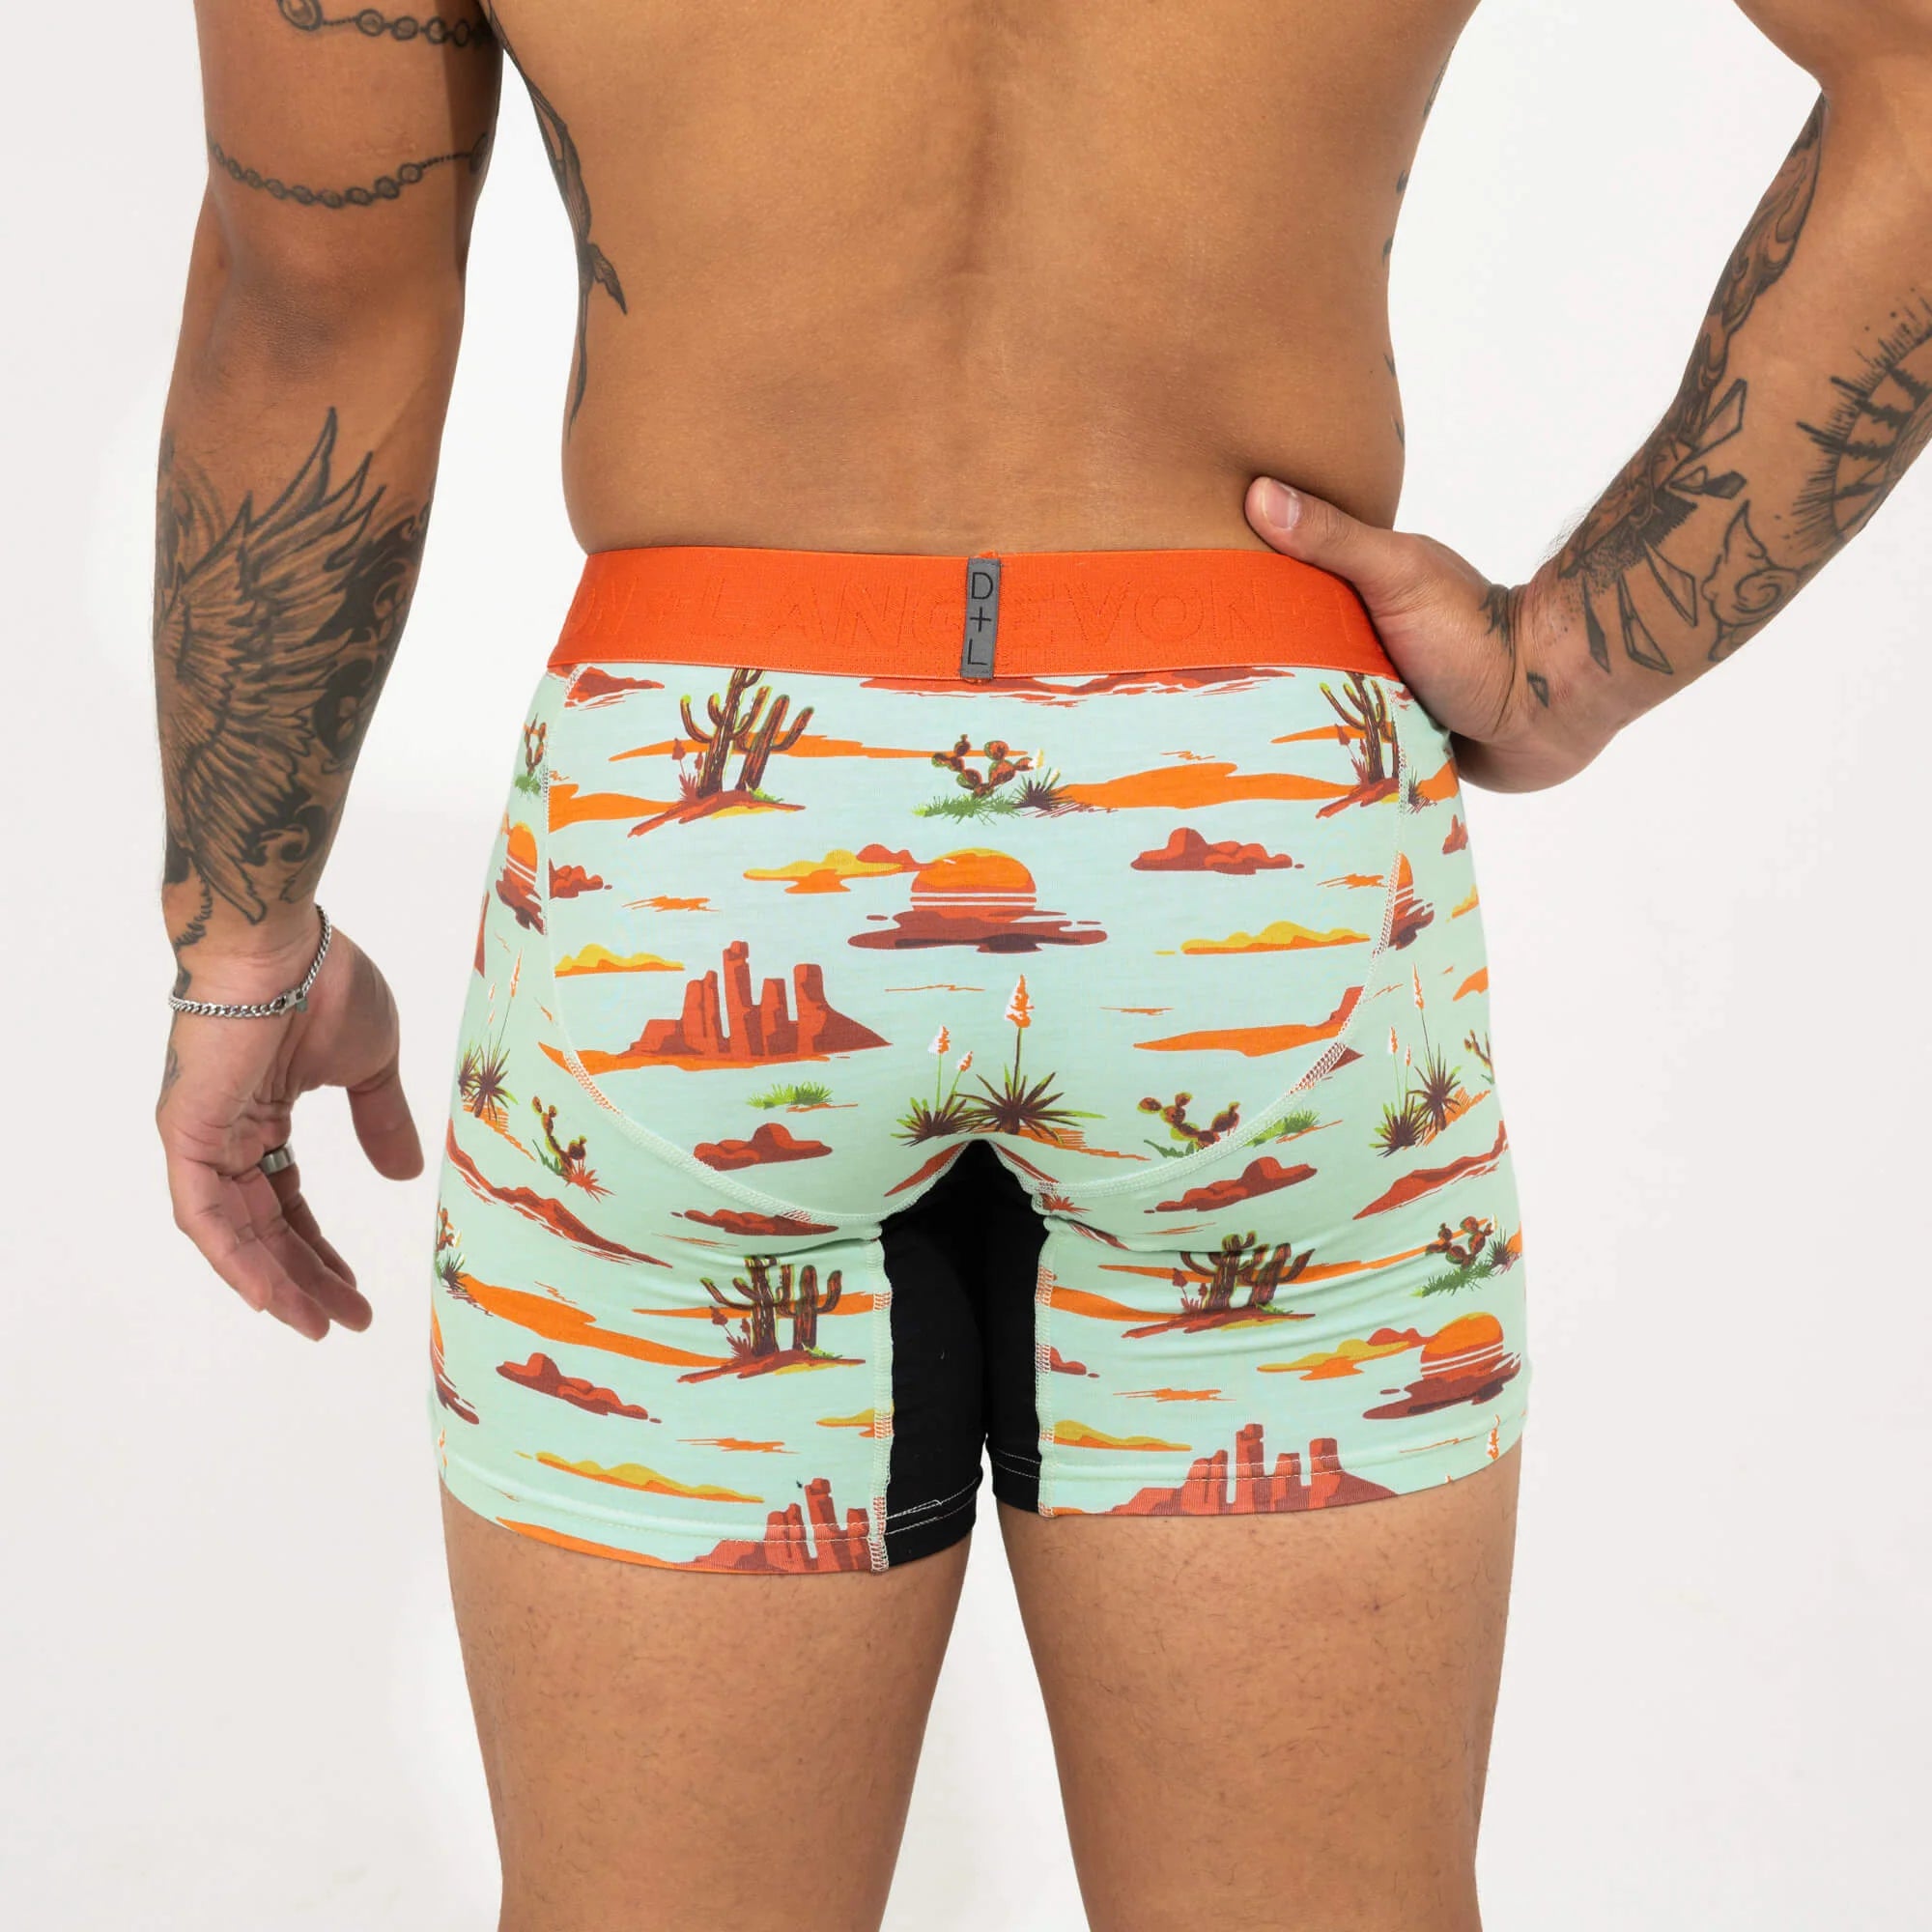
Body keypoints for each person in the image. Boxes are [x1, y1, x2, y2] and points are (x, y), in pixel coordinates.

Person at [152, 3, 1930, 1927]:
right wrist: (1567, 665)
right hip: (1255, 822)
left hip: (707, 831)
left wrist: (245, 947)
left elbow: (306, 306)